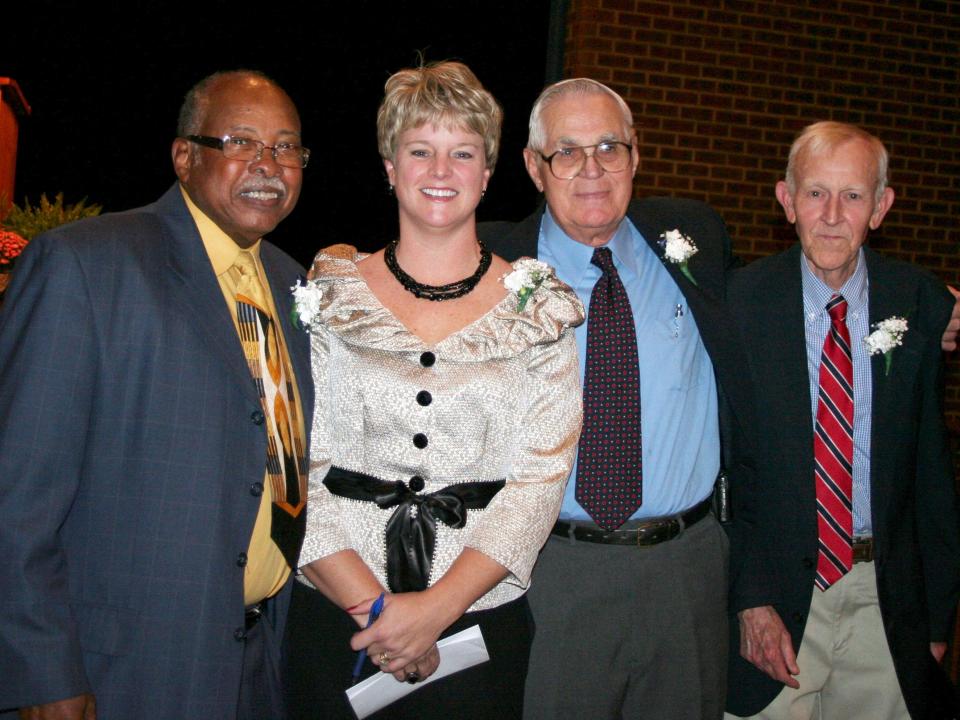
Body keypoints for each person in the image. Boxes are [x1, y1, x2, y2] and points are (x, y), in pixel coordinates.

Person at [0, 70, 312, 720]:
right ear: (185, 155)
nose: (269, 165)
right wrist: (40, 674)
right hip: (122, 670)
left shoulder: (294, 286)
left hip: (258, 664)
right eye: (242, 142)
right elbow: (15, 495)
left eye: (287, 147)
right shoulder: (86, 265)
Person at [283, 62, 584, 720]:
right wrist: (381, 614)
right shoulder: (331, 294)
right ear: (390, 166)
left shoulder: (539, 309)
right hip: (336, 622)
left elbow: (539, 482)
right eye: (420, 150)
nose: (441, 170)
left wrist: (436, 613)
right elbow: (304, 463)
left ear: (487, 170)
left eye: (462, 152)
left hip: (477, 632)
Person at [480, 77, 756, 720]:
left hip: (687, 570)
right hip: (548, 571)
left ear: (635, 155)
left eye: (610, 147)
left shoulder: (694, 238)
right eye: (567, 151)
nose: (592, 169)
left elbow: (773, 310)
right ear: (533, 166)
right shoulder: (487, 262)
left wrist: (905, 307)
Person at [724, 121, 960, 719]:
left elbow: (930, 469)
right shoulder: (739, 304)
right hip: (776, 599)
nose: (832, 214)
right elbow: (727, 469)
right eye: (815, 193)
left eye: (852, 196)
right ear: (786, 201)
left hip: (885, 598)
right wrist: (749, 599)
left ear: (880, 208)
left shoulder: (920, 302)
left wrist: (935, 615)